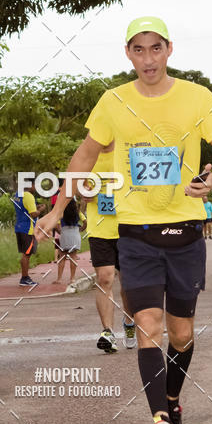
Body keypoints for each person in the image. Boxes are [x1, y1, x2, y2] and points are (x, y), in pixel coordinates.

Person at [36, 16, 212, 424]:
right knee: (149, 326)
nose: (148, 58)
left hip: (184, 233)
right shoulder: (113, 102)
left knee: (181, 336)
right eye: (139, 49)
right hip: (136, 235)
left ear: (169, 49)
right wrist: (55, 209)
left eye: (155, 48)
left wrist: (211, 180)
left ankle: (172, 400)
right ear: (128, 54)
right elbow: (85, 155)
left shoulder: (197, 97)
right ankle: (159, 420)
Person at [80, 142, 136, 353]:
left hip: (127, 228)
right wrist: (83, 193)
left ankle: (129, 323)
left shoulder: (126, 152)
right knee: (104, 278)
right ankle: (108, 332)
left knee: (128, 284)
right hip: (99, 229)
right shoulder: (87, 155)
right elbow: (78, 185)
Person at [13, 180, 41, 286]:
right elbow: (33, 214)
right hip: (28, 229)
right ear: (31, 185)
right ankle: (24, 278)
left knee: (24, 253)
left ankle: (25, 276)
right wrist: (40, 210)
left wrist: (35, 208)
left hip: (19, 227)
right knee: (26, 254)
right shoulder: (29, 196)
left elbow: (24, 209)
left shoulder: (17, 194)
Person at [57, 187, 84, 287]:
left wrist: (59, 231)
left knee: (62, 257)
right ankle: (72, 278)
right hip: (75, 233)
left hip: (64, 233)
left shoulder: (61, 211)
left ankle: (59, 278)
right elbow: (85, 222)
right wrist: (81, 229)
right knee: (73, 257)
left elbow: (56, 224)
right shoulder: (78, 212)